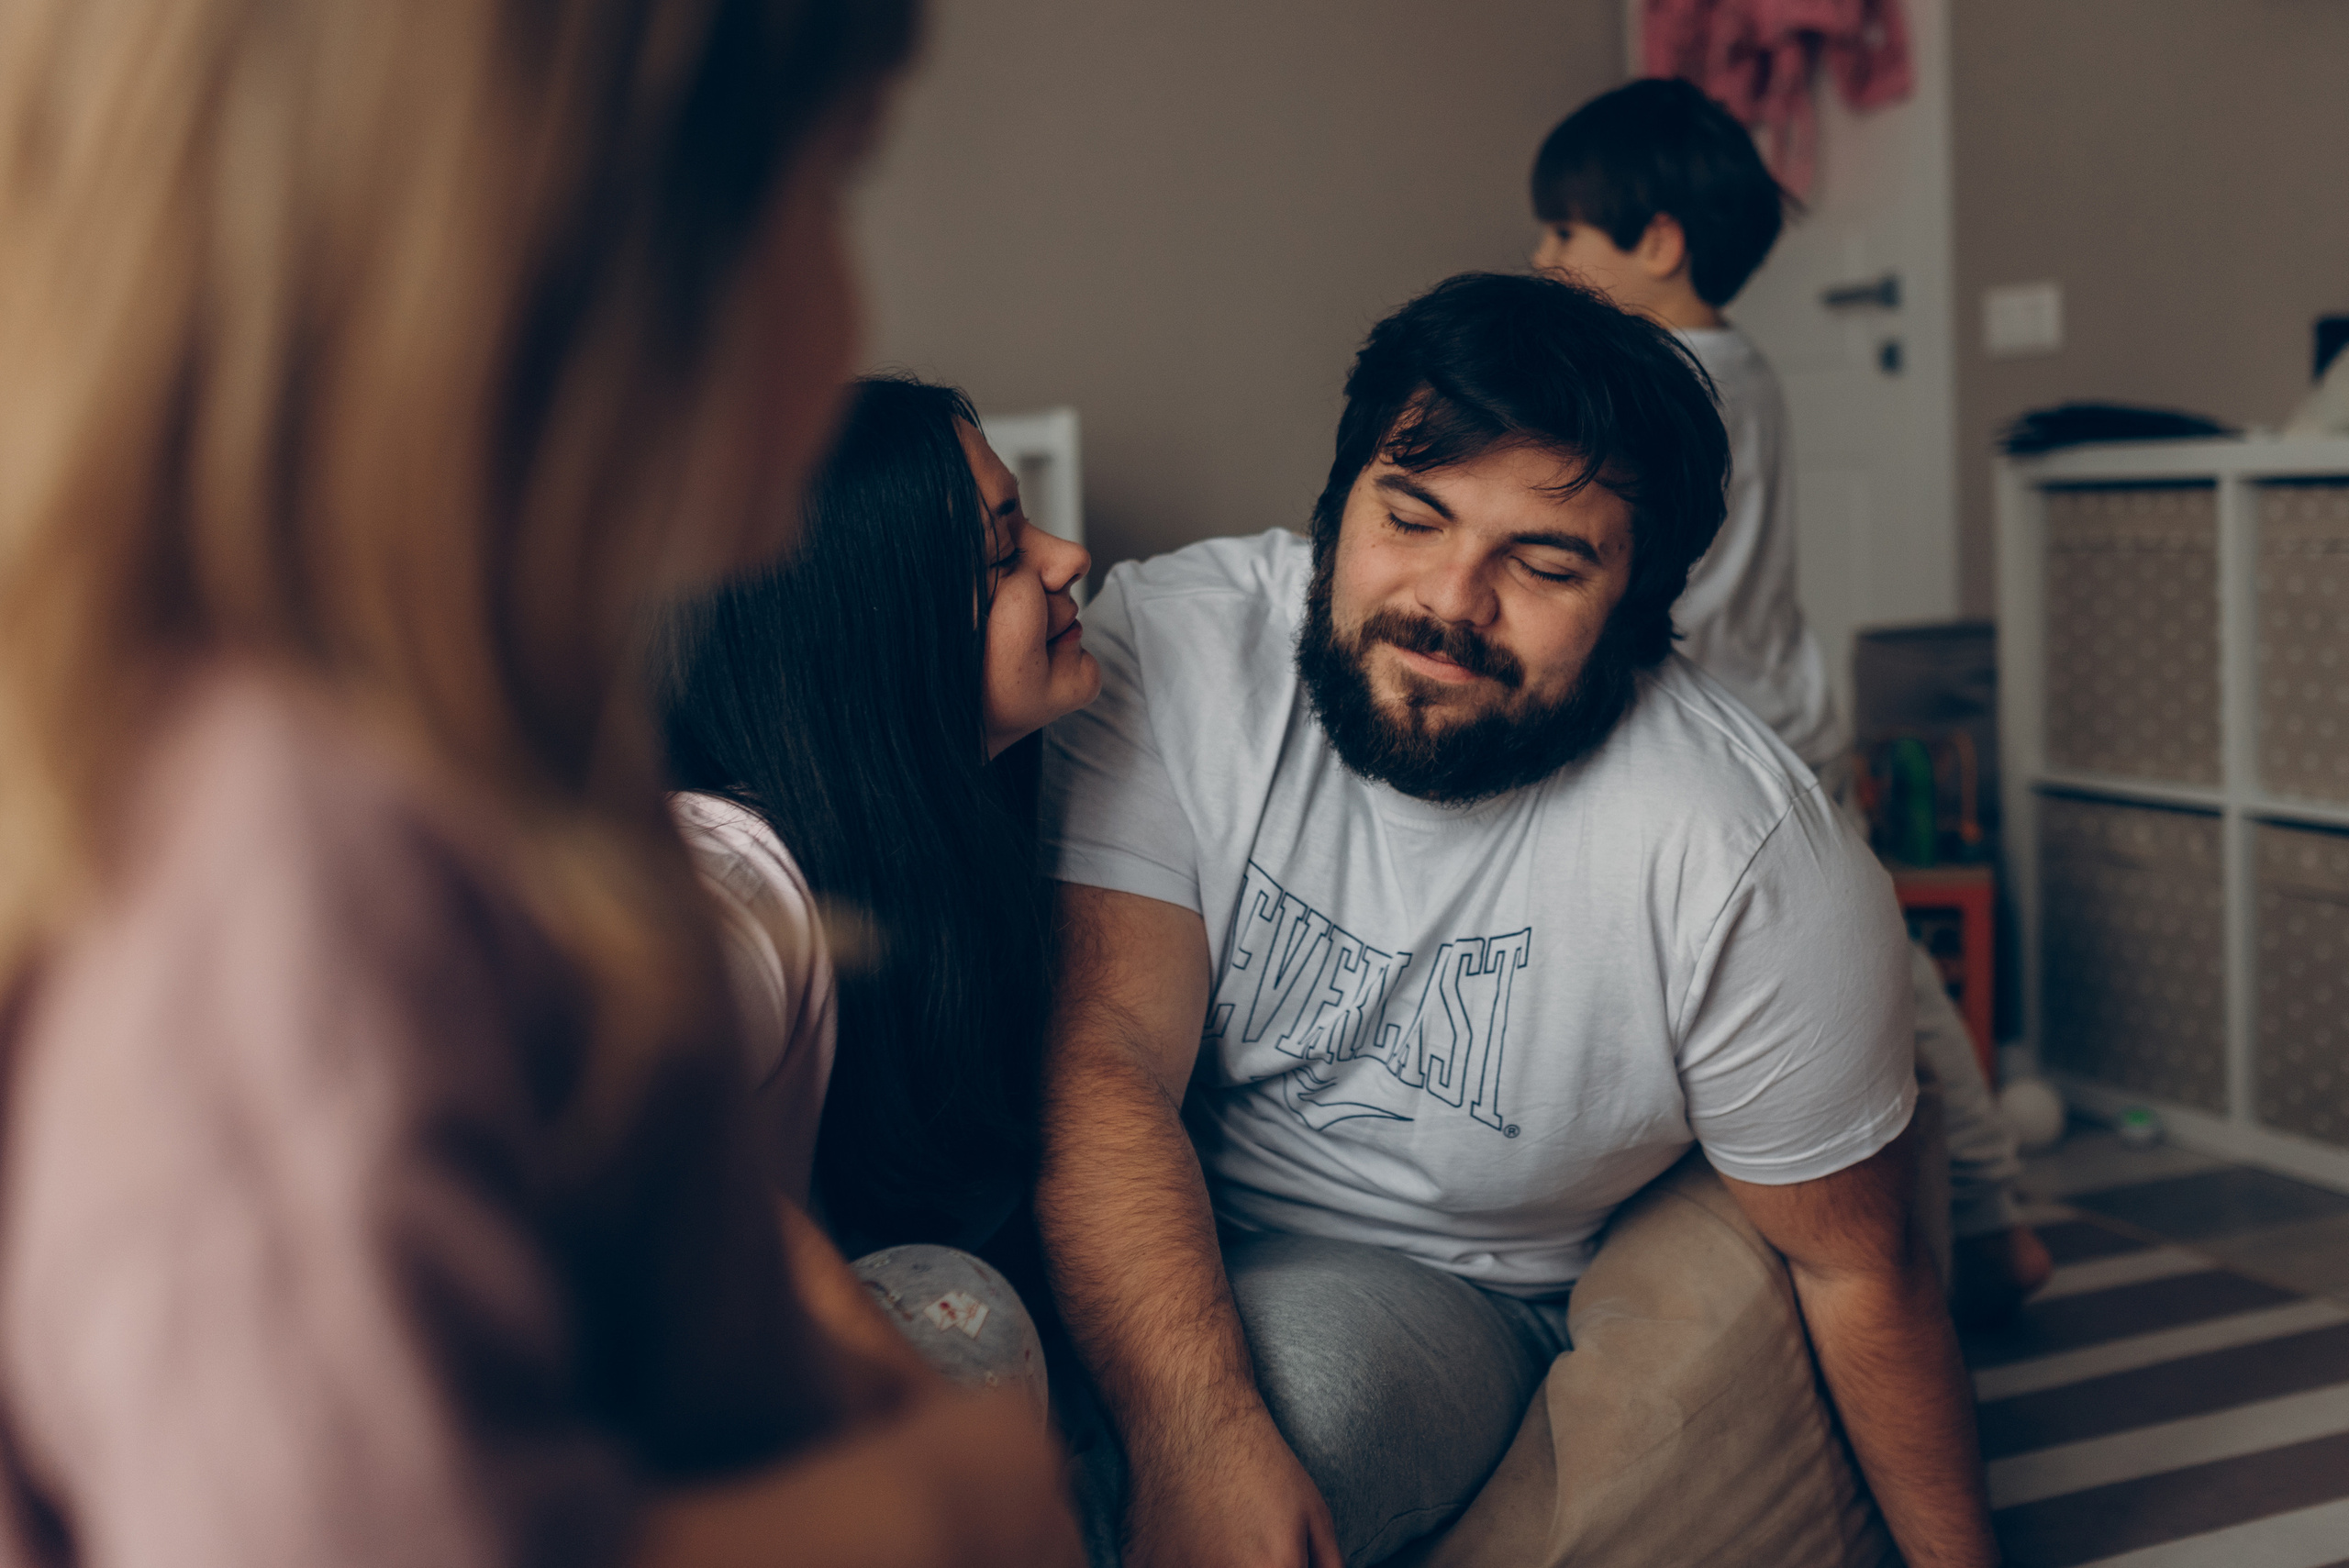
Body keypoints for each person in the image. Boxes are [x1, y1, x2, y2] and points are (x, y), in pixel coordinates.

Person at [0, 4, 1081, 1566]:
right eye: (837, 179)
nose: (853, 308)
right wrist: (936, 1502)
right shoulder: (279, 857)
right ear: (578, 247)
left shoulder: (499, 784)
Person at [1037, 273, 1998, 1568]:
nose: (1450, 600)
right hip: (1126, 1193)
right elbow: (1099, 1060)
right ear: (1335, 508)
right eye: (1411, 517)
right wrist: (1191, 1432)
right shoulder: (1177, 647)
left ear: (1639, 614)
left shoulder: (1740, 853)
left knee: (1288, 1414)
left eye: (1543, 563)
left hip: (1433, 1287)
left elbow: (1860, 1269)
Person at [1529, 75, 2051, 1323]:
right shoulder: (1738, 363)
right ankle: (1993, 1212)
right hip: (1790, 727)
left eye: (1561, 235)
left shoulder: (1664, 384)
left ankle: (1968, 1217)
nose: (1539, 257)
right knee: (1890, 981)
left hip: (1737, 751)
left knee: (1866, 988)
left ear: (1656, 244)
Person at [659, 373, 1098, 1405]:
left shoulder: (936, 840)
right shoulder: (731, 886)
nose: (1068, 557)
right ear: (875, 636)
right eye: (1004, 552)